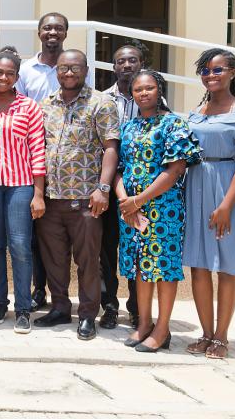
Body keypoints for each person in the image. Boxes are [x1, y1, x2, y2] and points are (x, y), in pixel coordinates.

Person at [35, 50, 119, 341]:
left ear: (85, 70)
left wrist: (103, 188)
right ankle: (59, 307)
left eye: (74, 68)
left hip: (86, 198)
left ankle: (86, 315)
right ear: (56, 71)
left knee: (88, 260)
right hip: (50, 198)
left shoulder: (101, 102)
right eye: (63, 68)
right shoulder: (46, 104)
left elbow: (111, 147)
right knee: (54, 260)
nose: (68, 73)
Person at [116, 70, 201, 353]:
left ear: (159, 89)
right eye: (138, 89)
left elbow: (175, 170)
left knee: (163, 269)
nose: (143, 93)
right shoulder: (128, 127)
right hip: (130, 210)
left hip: (163, 208)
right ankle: (144, 324)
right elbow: (119, 169)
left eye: (149, 88)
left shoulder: (173, 124)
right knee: (141, 266)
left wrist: (138, 200)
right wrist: (125, 201)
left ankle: (163, 330)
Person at [183, 48, 235, 360]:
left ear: (232, 73)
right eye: (205, 71)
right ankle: (205, 333)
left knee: (226, 266)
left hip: (228, 189)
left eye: (217, 70)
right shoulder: (198, 110)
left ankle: (222, 337)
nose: (210, 76)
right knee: (199, 266)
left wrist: (227, 204)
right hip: (196, 186)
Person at [0, 50, 46, 335]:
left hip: (21, 185)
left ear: (17, 78)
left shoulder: (29, 107)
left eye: (9, 73)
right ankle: (0, 302)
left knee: (20, 246)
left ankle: (23, 307)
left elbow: (37, 151)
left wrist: (38, 193)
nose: (3, 77)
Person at [16, 12, 68, 310]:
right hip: (32, 159)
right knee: (35, 231)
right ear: (39, 32)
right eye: (47, 27)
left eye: (58, 28)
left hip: (68, 163)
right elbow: (19, 110)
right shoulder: (25, 70)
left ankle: (66, 295)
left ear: (65, 33)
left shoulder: (73, 66)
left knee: (62, 234)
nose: (52, 32)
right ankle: (39, 291)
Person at [101, 44, 146, 329]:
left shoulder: (152, 97)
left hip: (141, 189)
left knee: (137, 249)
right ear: (113, 67)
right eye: (120, 61)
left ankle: (137, 307)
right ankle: (108, 306)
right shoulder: (102, 99)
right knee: (106, 250)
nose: (126, 65)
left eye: (132, 60)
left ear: (141, 63)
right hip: (108, 184)